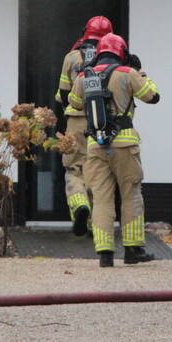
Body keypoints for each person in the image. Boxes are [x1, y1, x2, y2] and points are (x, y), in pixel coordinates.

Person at [68, 33, 160, 267]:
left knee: (101, 199)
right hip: (124, 144)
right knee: (131, 195)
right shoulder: (127, 74)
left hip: (95, 146)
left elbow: (75, 103)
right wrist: (141, 72)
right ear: (122, 52)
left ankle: (105, 254)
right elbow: (152, 96)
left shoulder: (84, 76)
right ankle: (132, 250)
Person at [57, 15, 113, 236]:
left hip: (76, 119)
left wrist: (66, 116)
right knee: (98, 170)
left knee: (74, 168)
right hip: (103, 121)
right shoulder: (112, 60)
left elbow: (62, 92)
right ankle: (93, 224)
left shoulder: (71, 57)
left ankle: (80, 205)